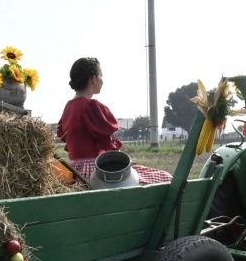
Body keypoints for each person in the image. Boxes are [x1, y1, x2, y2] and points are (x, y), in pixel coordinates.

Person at [56, 57, 172, 185]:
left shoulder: (68, 107)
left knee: (146, 172)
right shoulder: (90, 106)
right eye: (101, 76)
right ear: (93, 79)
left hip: (75, 171)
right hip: (96, 172)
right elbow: (108, 145)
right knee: (164, 177)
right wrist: (125, 163)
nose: (102, 81)